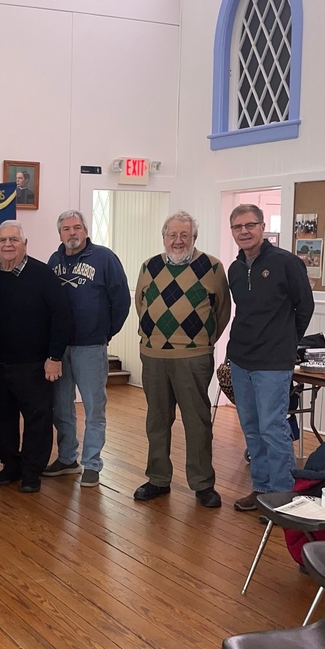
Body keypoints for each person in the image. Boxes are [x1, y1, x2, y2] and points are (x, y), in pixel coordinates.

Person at [132, 211, 231, 508]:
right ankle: (158, 479)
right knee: (157, 420)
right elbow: (140, 303)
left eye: (184, 235)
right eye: (172, 235)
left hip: (194, 357)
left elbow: (222, 312)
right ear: (163, 237)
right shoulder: (149, 266)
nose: (178, 241)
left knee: (197, 421)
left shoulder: (212, 267)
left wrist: (201, 341)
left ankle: (202, 485)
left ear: (194, 238)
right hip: (153, 356)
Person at [226, 204, 314, 511]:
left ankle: (282, 495)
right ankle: (261, 488)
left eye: (250, 225)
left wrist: (287, 342)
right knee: (250, 426)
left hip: (273, 362)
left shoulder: (286, 263)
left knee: (272, 428)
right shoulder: (235, 269)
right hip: (241, 359)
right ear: (233, 232)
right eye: (238, 227)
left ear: (263, 227)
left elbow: (305, 307)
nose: (244, 232)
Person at [0, 222, 73, 493]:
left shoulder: (43, 274)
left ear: (25, 243)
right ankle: (11, 466)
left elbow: (62, 316)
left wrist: (54, 356)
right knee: (0, 419)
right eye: (3, 240)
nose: (8, 244)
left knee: (38, 420)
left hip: (35, 364)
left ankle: (32, 472)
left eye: (14, 239)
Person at [43, 210, 129, 488]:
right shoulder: (54, 261)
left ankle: (92, 464)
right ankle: (68, 458)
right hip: (58, 348)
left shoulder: (104, 258)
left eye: (77, 227)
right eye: (66, 228)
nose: (72, 233)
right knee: (62, 406)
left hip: (91, 346)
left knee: (94, 408)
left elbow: (122, 300)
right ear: (59, 234)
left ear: (85, 231)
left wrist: (105, 332)